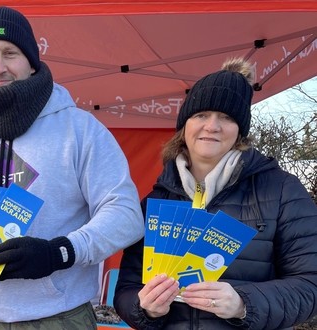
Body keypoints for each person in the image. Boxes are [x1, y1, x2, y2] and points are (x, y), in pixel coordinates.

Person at [0, 6, 145, 329]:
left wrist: (60, 252)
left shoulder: (79, 129)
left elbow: (125, 215)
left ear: (31, 61)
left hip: (60, 318)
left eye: (10, 53)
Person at [113, 58, 317, 329]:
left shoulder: (282, 191)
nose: (212, 126)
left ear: (240, 131)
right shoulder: (157, 200)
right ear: (184, 125)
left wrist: (243, 304)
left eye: (227, 117)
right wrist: (145, 308)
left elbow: (310, 286)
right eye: (201, 115)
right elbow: (126, 287)